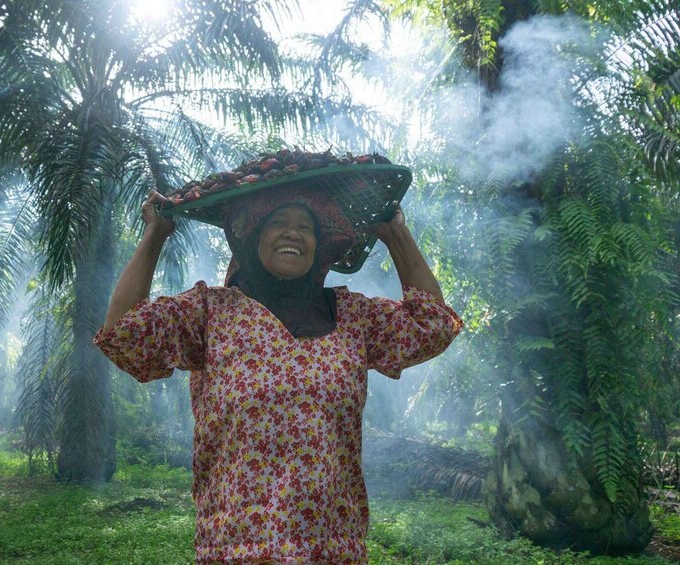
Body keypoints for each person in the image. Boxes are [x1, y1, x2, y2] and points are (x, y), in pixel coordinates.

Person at [95, 184, 462, 564]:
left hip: (333, 549)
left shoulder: (355, 317)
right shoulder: (210, 313)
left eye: (306, 226)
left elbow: (432, 326)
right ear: (252, 236)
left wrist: (396, 234)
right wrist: (155, 233)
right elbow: (124, 335)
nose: (293, 232)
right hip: (237, 549)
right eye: (278, 222)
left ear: (319, 247)